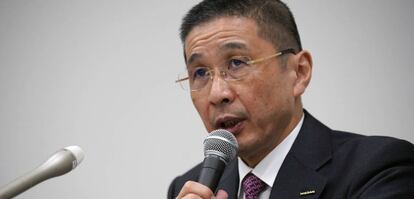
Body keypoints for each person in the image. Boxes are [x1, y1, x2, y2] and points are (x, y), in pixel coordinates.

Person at [168, 0, 414, 198]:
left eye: (237, 63)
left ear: (299, 72)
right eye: (200, 73)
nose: (217, 94)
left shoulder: (377, 169)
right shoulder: (191, 188)